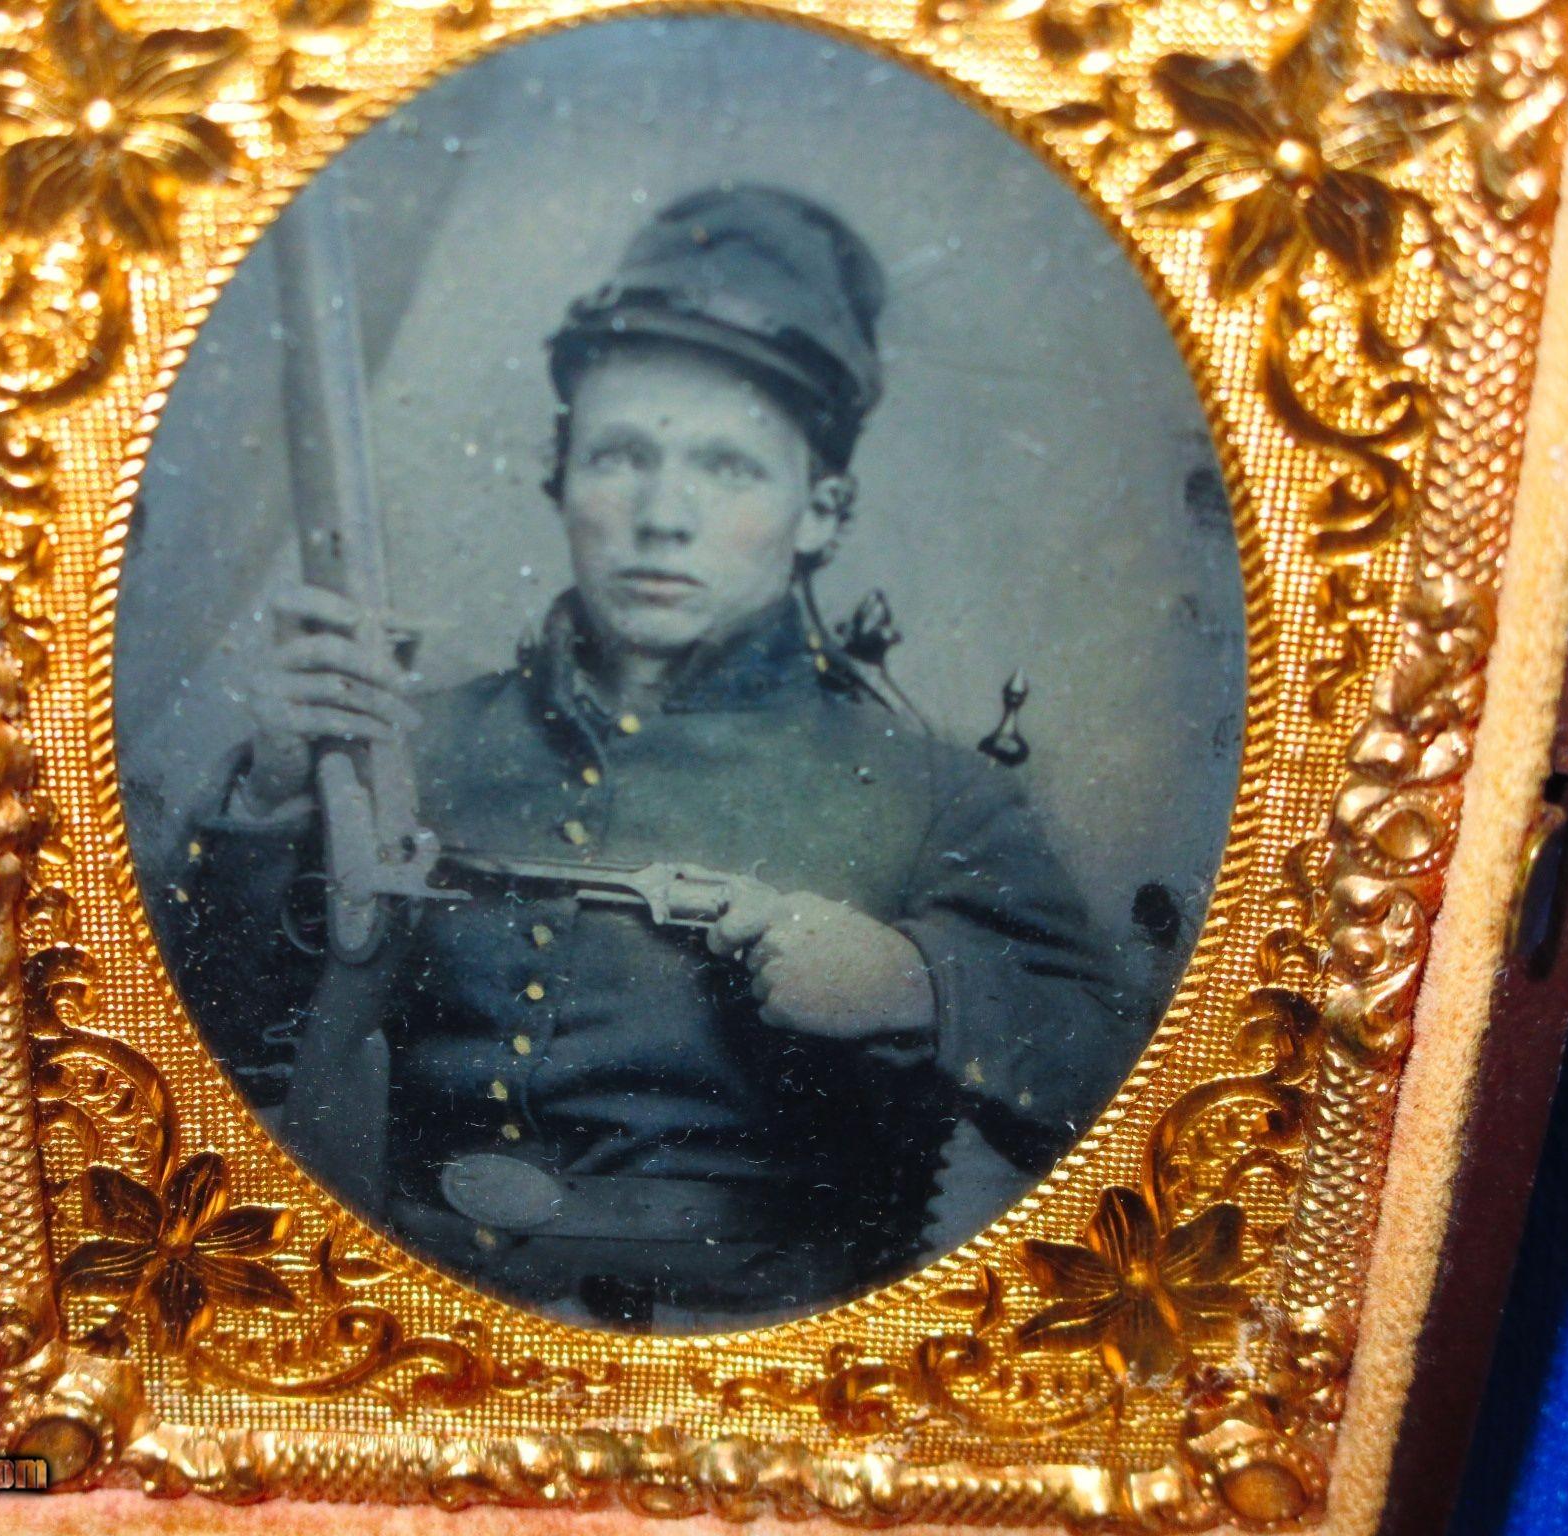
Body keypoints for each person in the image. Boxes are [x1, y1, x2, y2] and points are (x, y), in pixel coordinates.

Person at [170, 185, 1138, 1329]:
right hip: (401, 1324)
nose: (659, 515)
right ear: (559, 474)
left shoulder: (932, 793)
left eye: (728, 469)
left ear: (820, 511)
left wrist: (917, 988)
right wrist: (273, 800)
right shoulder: (408, 738)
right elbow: (204, 1054)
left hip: (744, 1364)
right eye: (620, 456)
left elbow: (1120, 1091)